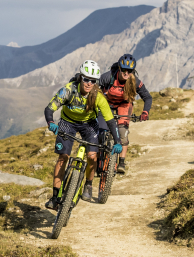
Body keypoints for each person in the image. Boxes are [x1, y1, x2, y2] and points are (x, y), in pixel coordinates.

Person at [43, 60, 122, 210]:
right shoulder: (68, 90)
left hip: (88, 125)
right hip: (67, 122)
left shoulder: (98, 96)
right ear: (80, 77)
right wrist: (51, 122)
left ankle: (88, 184)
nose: (89, 83)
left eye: (93, 81)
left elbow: (110, 121)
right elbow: (49, 108)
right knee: (63, 157)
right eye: (86, 79)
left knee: (92, 156)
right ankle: (55, 197)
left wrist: (117, 141)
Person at [97, 53, 152, 174]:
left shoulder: (135, 82)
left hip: (124, 105)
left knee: (122, 132)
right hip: (107, 103)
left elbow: (148, 97)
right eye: (123, 70)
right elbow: (94, 87)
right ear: (119, 68)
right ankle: (99, 158)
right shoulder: (108, 76)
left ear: (133, 71)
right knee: (101, 132)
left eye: (129, 71)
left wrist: (145, 112)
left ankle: (121, 162)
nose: (126, 73)